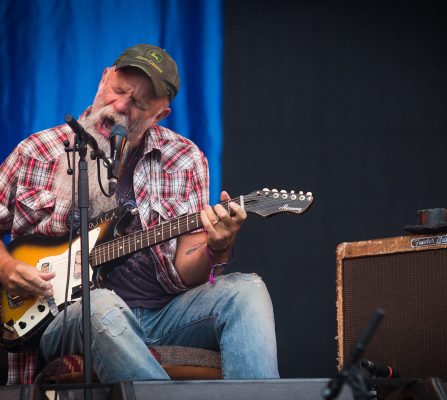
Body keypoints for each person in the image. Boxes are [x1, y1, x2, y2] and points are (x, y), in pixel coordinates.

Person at [0, 44, 279, 382]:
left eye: (138, 104)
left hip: (163, 315)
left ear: (160, 114)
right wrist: (7, 266)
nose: (119, 107)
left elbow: (186, 270)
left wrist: (217, 246)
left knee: (247, 292)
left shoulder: (184, 159)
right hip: (66, 317)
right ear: (104, 78)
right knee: (100, 306)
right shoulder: (37, 152)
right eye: (118, 90)